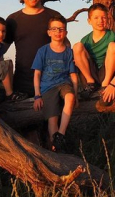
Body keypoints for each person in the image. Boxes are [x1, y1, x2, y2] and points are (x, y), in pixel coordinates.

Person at [32, 16, 79, 153]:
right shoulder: (43, 51)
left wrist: (77, 95)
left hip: (64, 84)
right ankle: (55, 149)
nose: (58, 31)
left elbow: (73, 75)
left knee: (70, 98)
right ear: (49, 32)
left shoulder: (69, 52)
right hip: (48, 88)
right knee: (52, 120)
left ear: (65, 32)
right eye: (54, 29)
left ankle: (60, 135)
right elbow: (37, 74)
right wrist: (37, 96)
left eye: (61, 29)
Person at [73, 3, 115, 103]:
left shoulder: (114, 36)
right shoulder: (85, 40)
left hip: (107, 74)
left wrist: (113, 83)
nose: (100, 21)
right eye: (96, 18)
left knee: (113, 46)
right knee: (77, 46)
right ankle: (90, 84)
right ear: (89, 21)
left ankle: (105, 85)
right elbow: (79, 62)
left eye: (103, 17)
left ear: (107, 19)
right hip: (90, 75)